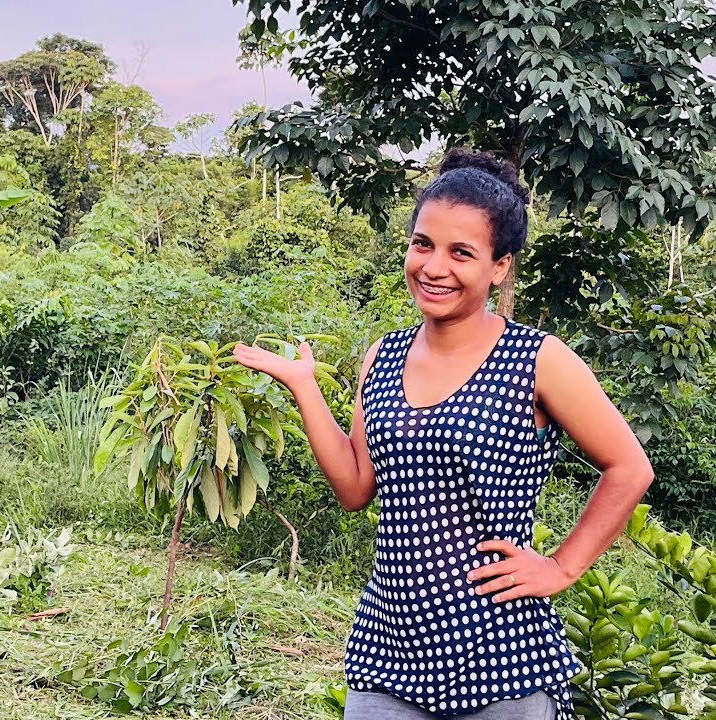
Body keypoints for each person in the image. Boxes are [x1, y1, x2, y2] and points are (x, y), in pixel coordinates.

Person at [234, 149, 653, 719]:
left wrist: (560, 566)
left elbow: (630, 467)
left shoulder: (537, 359)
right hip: (388, 655)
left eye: (461, 252)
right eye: (422, 244)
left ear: (499, 266)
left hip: (502, 661)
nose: (433, 267)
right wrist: (304, 387)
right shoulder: (384, 354)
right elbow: (356, 488)